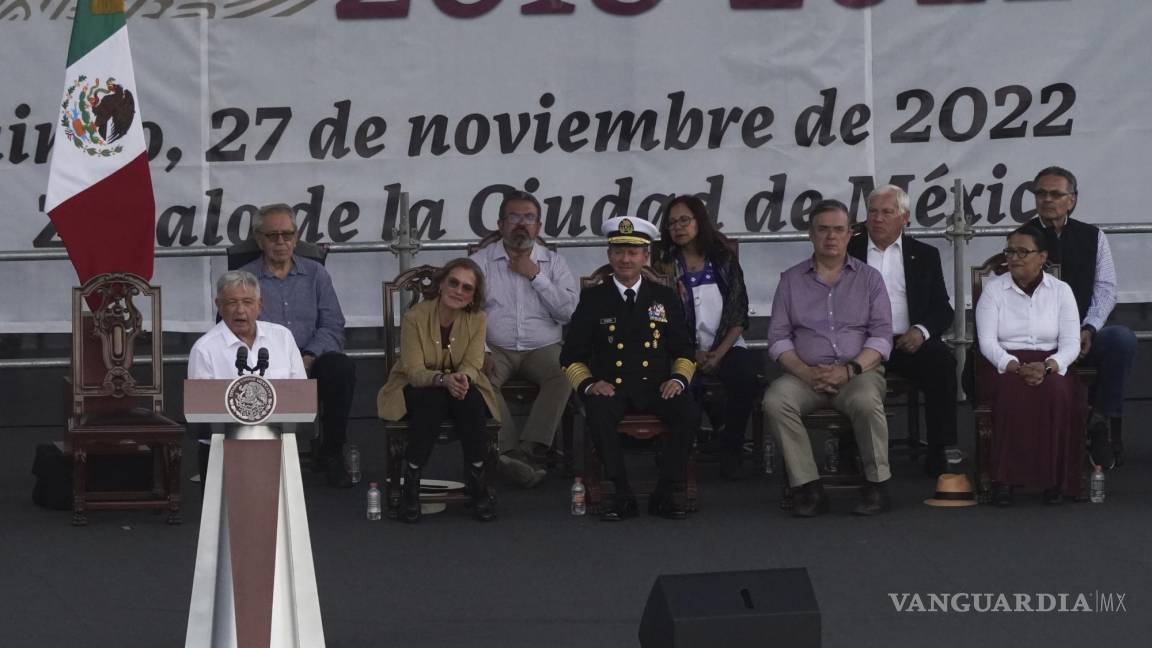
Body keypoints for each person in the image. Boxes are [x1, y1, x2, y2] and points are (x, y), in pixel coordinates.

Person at [560, 216, 699, 521]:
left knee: (688, 412)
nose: (625, 259)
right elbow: (571, 356)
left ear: (645, 256)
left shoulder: (664, 297)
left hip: (657, 385)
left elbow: (684, 349)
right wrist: (589, 384)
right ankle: (621, 492)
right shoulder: (593, 299)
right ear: (609, 255)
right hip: (613, 386)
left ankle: (665, 491)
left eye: (633, 252)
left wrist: (678, 379)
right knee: (597, 410)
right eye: (619, 251)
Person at [762, 199, 893, 517]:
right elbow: (778, 339)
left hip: (857, 373)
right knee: (775, 401)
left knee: (866, 402)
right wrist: (805, 373)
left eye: (838, 230)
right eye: (823, 230)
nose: (831, 237)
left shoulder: (870, 279)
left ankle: (876, 484)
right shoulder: (790, 280)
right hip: (804, 375)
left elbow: (881, 337)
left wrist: (849, 370)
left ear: (850, 235)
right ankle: (808, 486)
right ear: (810, 234)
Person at [239, 203, 357, 488]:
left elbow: (333, 325)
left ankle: (331, 452)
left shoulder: (316, 274)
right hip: (264, 365)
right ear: (259, 239)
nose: (281, 242)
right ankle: (258, 456)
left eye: (288, 234)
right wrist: (281, 362)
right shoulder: (244, 279)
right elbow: (233, 329)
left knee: (341, 367)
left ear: (297, 236)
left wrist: (307, 357)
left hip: (310, 361)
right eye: (273, 235)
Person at [1027, 167, 1137, 469]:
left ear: (1072, 201)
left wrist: (1088, 328)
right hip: (1040, 337)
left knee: (1122, 339)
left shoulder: (1093, 236)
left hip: (1084, 333)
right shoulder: (1023, 238)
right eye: (1041, 194)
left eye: (1055, 194)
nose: (1047, 200)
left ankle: (1100, 419)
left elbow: (1105, 290)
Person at [376, 258, 501, 523]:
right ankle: (411, 482)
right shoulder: (415, 317)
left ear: (473, 296)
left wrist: (462, 378)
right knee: (434, 399)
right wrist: (443, 380)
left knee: (469, 399)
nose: (458, 291)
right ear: (442, 284)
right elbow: (414, 370)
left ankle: (477, 481)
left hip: (459, 385)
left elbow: (473, 363)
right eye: (454, 283)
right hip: (416, 386)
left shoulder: (478, 318)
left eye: (467, 288)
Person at [470, 191, 577, 487]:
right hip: (496, 348)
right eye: (514, 217)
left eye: (529, 218)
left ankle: (526, 450)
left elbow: (567, 312)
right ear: (500, 225)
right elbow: (467, 312)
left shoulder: (554, 263)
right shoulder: (480, 263)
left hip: (542, 347)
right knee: (478, 377)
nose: (522, 224)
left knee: (567, 370)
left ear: (538, 227)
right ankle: (510, 450)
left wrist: (535, 276)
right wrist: (481, 350)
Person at [848, 185, 957, 475]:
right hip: (858, 343)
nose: (878, 219)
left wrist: (920, 331)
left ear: (904, 217)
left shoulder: (924, 255)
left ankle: (940, 449)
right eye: (873, 212)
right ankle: (849, 453)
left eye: (887, 212)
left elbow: (943, 309)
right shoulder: (849, 250)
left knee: (942, 362)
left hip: (904, 342)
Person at [975, 225, 1085, 505]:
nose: (1015, 258)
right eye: (1010, 251)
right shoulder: (994, 291)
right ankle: (1004, 480)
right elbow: (986, 342)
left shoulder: (1061, 291)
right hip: (1004, 363)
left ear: (1042, 257)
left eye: (1023, 252)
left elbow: (1071, 344)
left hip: (1050, 362)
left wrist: (1049, 366)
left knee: (1057, 392)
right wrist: (1015, 366)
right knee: (1012, 393)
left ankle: (1054, 480)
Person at [652, 194, 758, 480]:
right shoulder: (663, 264)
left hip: (726, 345)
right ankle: (680, 451)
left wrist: (719, 353)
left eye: (684, 220)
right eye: (672, 223)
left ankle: (731, 446)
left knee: (744, 377)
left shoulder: (723, 259)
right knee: (676, 383)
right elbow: (657, 317)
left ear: (700, 222)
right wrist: (691, 353)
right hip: (681, 349)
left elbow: (739, 314)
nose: (678, 227)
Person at [188, 270, 308, 480]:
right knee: (225, 514)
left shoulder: (282, 337)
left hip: (278, 444)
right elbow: (201, 411)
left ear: (260, 305)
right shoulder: (204, 349)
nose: (240, 310)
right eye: (232, 302)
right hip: (221, 451)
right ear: (219, 305)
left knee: (282, 512)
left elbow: (300, 394)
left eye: (247, 302)